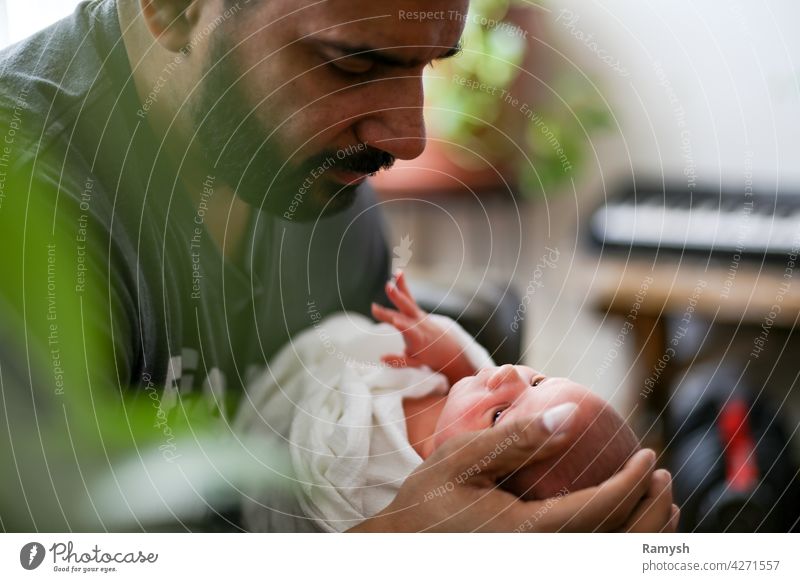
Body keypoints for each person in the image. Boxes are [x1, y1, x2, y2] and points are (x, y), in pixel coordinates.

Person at [0, 0, 674, 532]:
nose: (408, 137)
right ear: (175, 10)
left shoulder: (314, 175)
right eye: (352, 64)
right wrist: (392, 546)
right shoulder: (26, 200)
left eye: (424, 66)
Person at [237, 271, 672, 532]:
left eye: (501, 414)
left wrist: (344, 387)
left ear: (483, 488)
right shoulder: (462, 417)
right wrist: (454, 361)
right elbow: (468, 396)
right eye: (538, 381)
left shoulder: (377, 483)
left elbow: (312, 476)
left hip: (271, 413)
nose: (507, 374)